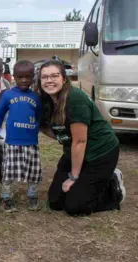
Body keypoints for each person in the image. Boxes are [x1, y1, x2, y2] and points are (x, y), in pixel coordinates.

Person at [36, 60, 125, 216]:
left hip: (100, 153)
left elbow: (80, 141)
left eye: (54, 76)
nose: (49, 80)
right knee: (55, 202)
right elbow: (51, 129)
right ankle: (88, 181)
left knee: (75, 207)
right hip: (75, 152)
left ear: (64, 79)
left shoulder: (75, 99)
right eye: (44, 77)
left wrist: (73, 177)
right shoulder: (46, 99)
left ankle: (112, 187)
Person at [0, 60, 42, 212]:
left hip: (31, 141)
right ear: (14, 77)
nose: (24, 80)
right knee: (9, 171)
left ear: (33, 77)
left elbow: (39, 116)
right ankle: (6, 198)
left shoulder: (36, 97)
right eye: (20, 77)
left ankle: (32, 196)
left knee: (33, 171)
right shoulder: (8, 95)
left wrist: (35, 129)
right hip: (12, 142)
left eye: (28, 77)